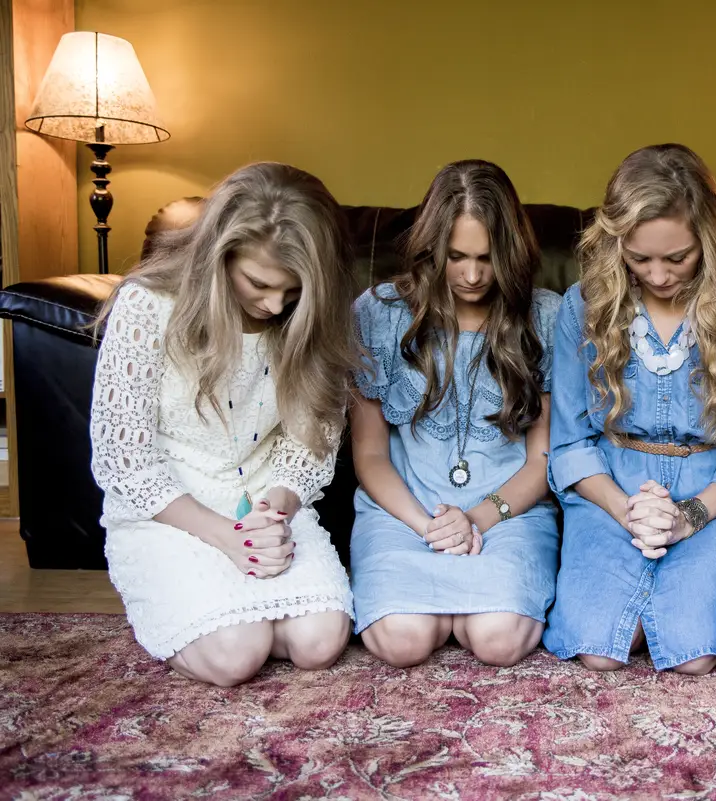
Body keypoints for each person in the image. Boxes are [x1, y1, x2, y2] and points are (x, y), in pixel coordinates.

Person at [90, 162, 359, 686]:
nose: (275, 304)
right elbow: (126, 460)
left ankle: (229, 612)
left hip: (261, 509)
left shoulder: (307, 319)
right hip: (169, 512)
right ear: (219, 254)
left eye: (294, 291)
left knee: (320, 642)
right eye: (258, 283)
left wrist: (273, 508)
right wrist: (225, 538)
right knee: (237, 655)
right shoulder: (146, 306)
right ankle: (192, 611)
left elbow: (310, 442)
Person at [543, 143, 716, 675]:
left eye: (677, 257)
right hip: (613, 492)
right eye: (639, 258)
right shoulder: (581, 307)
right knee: (600, 648)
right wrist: (627, 509)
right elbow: (568, 443)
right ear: (615, 244)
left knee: (692, 652)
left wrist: (688, 516)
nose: (658, 276)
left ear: (711, 239)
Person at [350, 160, 561, 668]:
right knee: (402, 642)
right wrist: (428, 527)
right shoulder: (378, 312)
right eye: (456, 257)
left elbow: (543, 461)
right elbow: (371, 453)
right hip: (402, 514)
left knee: (498, 640)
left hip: (510, 515)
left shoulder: (549, 317)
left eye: (488, 258)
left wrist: (475, 520)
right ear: (430, 249)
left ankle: (465, 606)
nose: (471, 275)